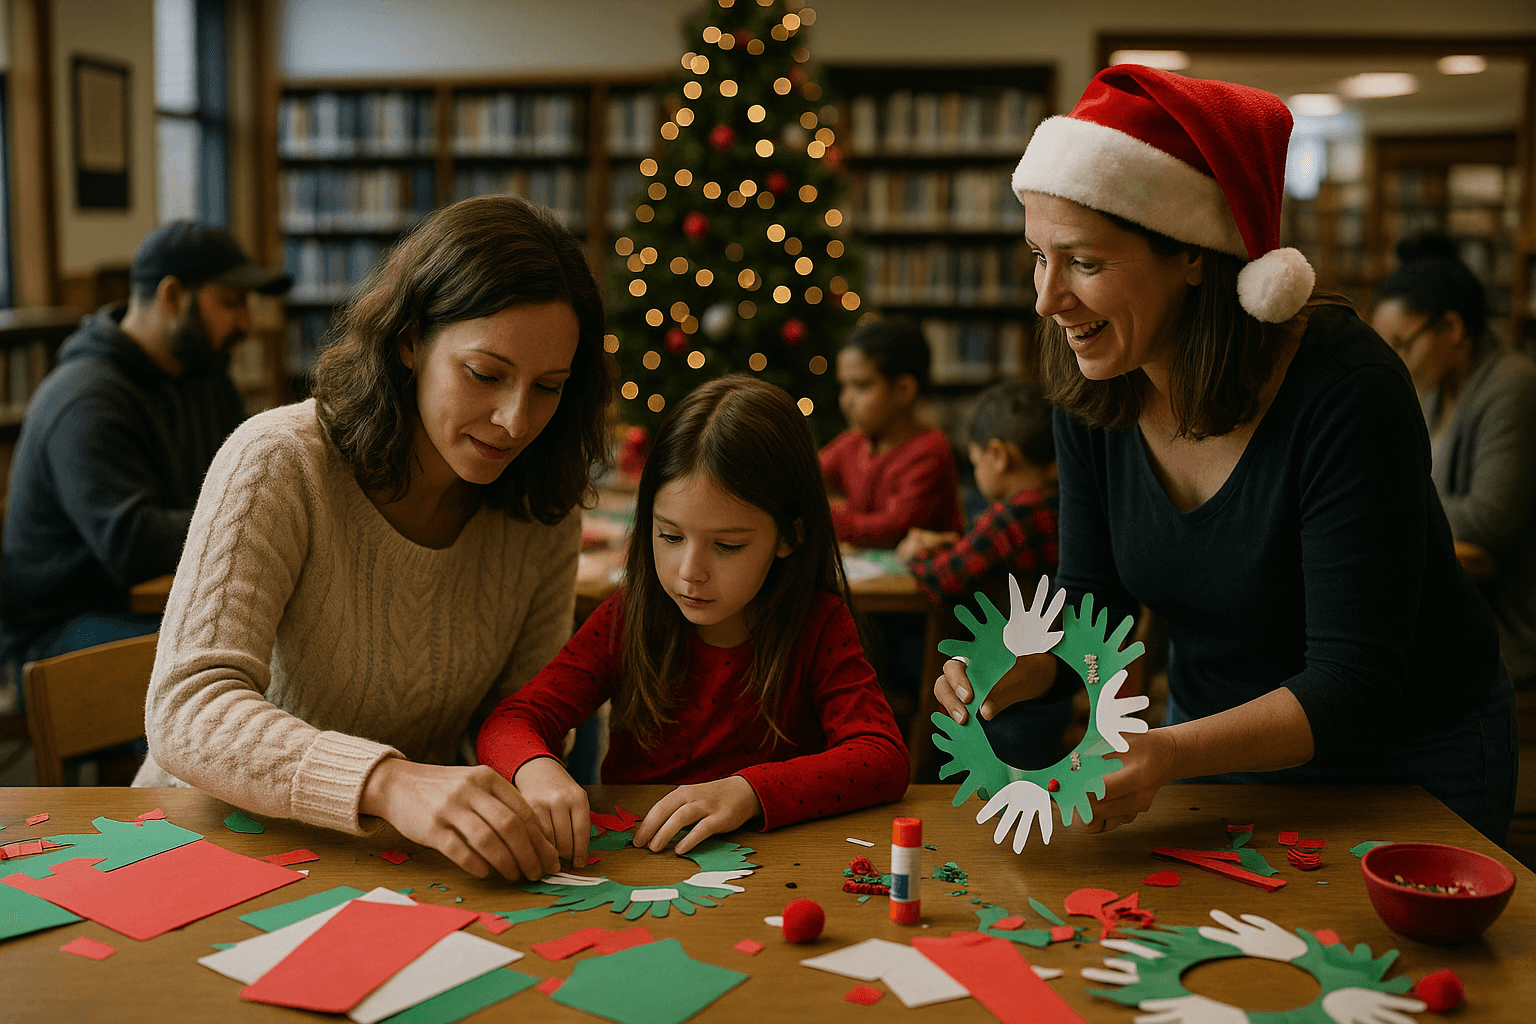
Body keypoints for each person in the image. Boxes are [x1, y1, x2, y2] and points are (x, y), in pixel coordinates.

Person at [933, 65, 1515, 844]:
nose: (1047, 298)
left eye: (1085, 262)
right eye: (1039, 255)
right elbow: (1092, 602)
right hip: (1207, 749)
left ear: (1195, 255)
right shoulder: (1096, 372)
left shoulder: (1348, 390)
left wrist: (1170, 751)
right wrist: (1031, 664)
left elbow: (1355, 680)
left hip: (1407, 757)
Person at [135, 195, 615, 883]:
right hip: (208, 847)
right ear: (410, 341)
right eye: (485, 375)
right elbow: (189, 708)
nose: (515, 421)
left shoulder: (541, 503)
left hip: (379, 864)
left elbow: (517, 711)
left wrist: (531, 763)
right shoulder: (280, 460)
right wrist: (389, 783)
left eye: (549, 388)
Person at [477, 375, 909, 864]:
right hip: (641, 864)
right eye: (670, 536)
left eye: (728, 546)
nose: (690, 573)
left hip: (772, 868)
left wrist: (745, 793)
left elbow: (881, 756)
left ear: (788, 537)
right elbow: (511, 720)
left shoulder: (818, 624)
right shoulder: (625, 619)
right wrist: (537, 769)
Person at [1, 221, 291, 663]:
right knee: (214, 660)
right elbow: (131, 544)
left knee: (291, 638)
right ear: (172, 297)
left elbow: (248, 476)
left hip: (166, 601)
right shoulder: (86, 398)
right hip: (62, 628)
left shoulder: (205, 378)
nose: (246, 323)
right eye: (230, 302)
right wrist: (252, 513)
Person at [1373, 235, 1536, 690]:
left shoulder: (1513, 385)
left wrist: (1386, 514)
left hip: (1500, 623)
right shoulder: (1433, 390)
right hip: (1450, 598)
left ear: (1452, 329)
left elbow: (1489, 518)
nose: (1394, 362)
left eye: (1402, 344)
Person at [897, 381, 1067, 764]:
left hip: (1011, 679)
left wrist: (915, 555)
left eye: (975, 464)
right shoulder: (1063, 500)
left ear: (997, 455)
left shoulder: (1015, 514)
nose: (976, 474)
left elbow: (946, 577)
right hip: (1061, 669)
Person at [820, 317, 964, 548]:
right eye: (843, 386)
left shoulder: (929, 451)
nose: (847, 400)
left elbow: (891, 529)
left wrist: (826, 516)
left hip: (916, 581)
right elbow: (807, 471)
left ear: (903, 389)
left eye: (862, 386)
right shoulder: (855, 441)